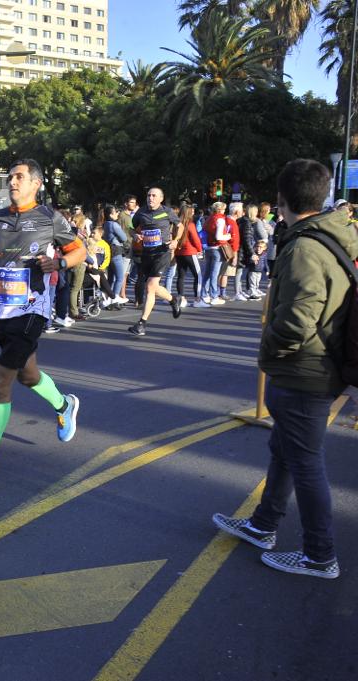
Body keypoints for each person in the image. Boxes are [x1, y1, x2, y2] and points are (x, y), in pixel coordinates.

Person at [212, 158, 358, 579]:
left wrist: (272, 349)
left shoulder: (306, 247)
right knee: (286, 450)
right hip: (316, 366)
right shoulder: (335, 235)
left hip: (304, 370)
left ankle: (320, 555)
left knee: (306, 462)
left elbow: (298, 318)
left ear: (281, 200)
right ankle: (263, 523)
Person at [0, 159, 84, 484]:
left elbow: (79, 249)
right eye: (11, 176)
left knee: (0, 383)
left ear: (35, 184)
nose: (12, 181)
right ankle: (64, 404)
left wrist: (60, 262)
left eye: (19, 177)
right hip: (0, 310)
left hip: (32, 309)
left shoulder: (49, 217)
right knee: (28, 375)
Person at [127, 188, 183, 336]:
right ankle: (173, 299)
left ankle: (141, 323)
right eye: (148, 195)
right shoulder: (141, 212)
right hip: (147, 253)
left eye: (154, 196)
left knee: (150, 287)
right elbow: (131, 228)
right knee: (152, 286)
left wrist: (175, 241)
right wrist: (135, 235)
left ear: (161, 199)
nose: (150, 198)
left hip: (162, 252)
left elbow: (180, 226)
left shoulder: (167, 211)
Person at [173, 204, 206, 307]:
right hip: (190, 252)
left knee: (181, 276)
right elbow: (195, 239)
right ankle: (197, 299)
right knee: (198, 275)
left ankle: (181, 298)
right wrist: (200, 249)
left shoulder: (176, 224)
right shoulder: (190, 224)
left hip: (178, 252)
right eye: (191, 211)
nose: (193, 213)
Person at [201, 201, 230, 305]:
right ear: (220, 209)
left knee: (207, 273)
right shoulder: (220, 220)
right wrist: (228, 236)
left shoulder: (209, 219)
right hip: (217, 248)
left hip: (208, 247)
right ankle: (214, 296)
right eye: (223, 209)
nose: (224, 211)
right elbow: (219, 236)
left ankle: (204, 295)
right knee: (214, 273)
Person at [102, 204, 129, 305]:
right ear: (111, 214)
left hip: (109, 251)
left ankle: (108, 296)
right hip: (116, 250)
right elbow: (124, 238)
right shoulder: (114, 225)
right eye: (115, 212)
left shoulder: (105, 224)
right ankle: (115, 296)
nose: (117, 213)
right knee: (120, 276)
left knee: (111, 277)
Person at [117, 194, 137, 300]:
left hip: (129, 246)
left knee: (125, 273)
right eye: (131, 202)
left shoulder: (128, 216)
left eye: (134, 202)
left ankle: (123, 294)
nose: (134, 204)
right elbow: (129, 230)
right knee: (122, 273)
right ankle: (121, 295)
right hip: (125, 247)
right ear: (126, 203)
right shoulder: (123, 216)